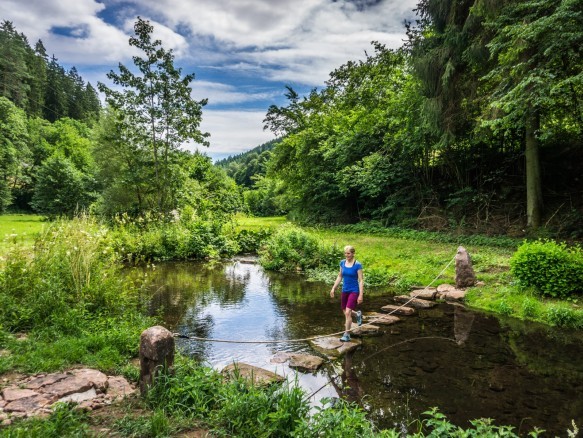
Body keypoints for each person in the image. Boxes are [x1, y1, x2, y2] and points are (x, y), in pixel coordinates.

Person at [330, 245, 363, 342]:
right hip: (345, 290)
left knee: (347, 313)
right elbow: (340, 276)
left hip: (354, 290)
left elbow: (361, 280)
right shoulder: (342, 263)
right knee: (345, 311)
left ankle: (347, 334)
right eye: (345, 253)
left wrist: (361, 295)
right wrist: (333, 288)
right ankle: (357, 314)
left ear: (353, 253)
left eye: (348, 253)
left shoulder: (357, 265)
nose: (346, 255)